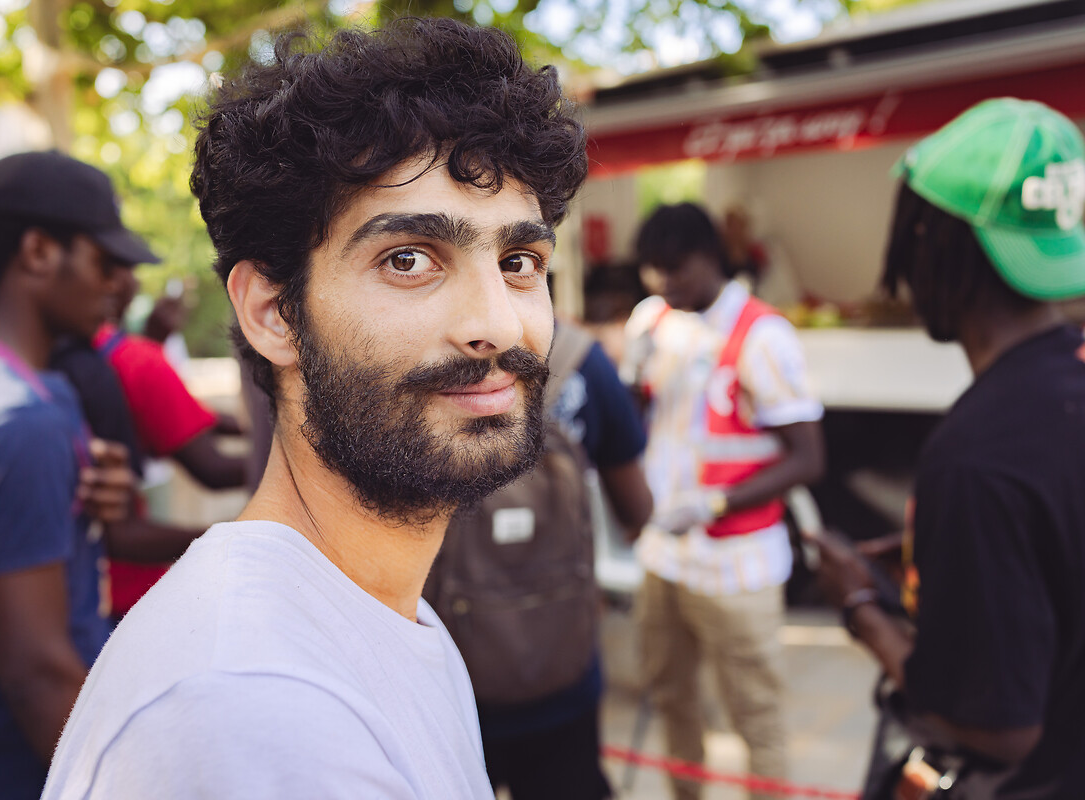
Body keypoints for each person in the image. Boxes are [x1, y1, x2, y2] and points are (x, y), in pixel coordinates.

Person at [42, 18, 588, 798]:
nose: (498, 323)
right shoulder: (258, 706)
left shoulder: (380, 620)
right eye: (409, 260)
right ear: (273, 312)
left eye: (519, 261)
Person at [812, 98, 1085, 799]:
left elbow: (995, 725)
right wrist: (950, 562)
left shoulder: (977, 457)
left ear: (930, 238)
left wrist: (862, 612)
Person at [0, 150, 152, 800]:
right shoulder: (18, 421)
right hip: (9, 771)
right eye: (103, 261)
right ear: (39, 251)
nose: (117, 284)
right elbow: (36, 673)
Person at [624, 202, 826, 800]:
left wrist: (714, 505)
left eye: (676, 269)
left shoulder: (762, 334)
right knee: (672, 701)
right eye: (652, 270)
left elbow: (808, 458)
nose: (663, 284)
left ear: (711, 257)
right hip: (664, 556)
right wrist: (631, 384)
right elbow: (640, 431)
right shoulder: (651, 321)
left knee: (754, 717)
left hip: (737, 567)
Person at [461, 318, 652, 800]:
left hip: (449, 681)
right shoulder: (581, 360)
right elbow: (637, 507)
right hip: (560, 674)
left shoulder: (417, 351)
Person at [92, 266, 246, 615]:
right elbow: (211, 467)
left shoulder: (63, 356)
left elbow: (196, 417)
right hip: (124, 597)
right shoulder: (136, 360)